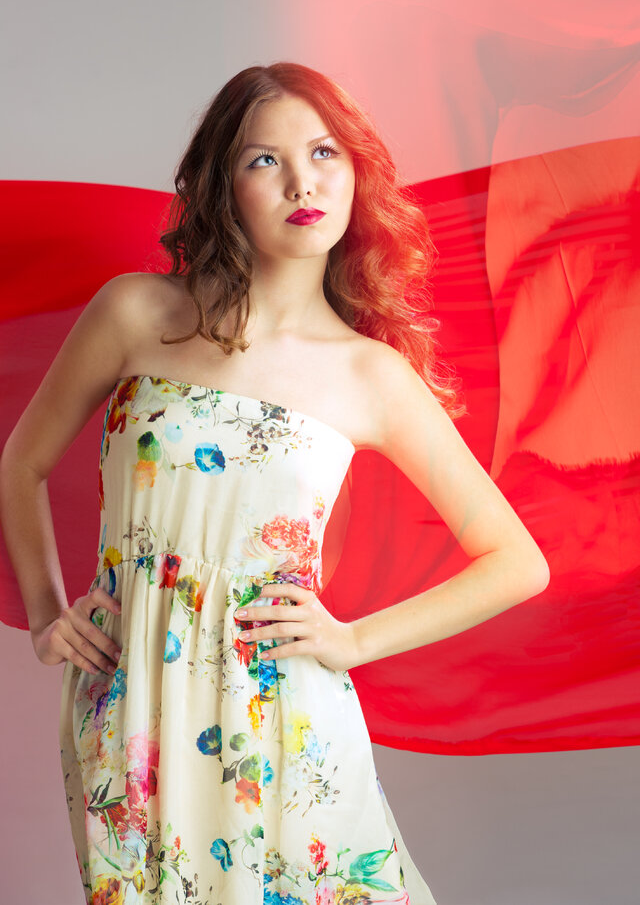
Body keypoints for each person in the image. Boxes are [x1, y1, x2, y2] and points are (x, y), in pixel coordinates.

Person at [0, 62, 549, 905]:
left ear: (357, 172)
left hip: (284, 715)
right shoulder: (137, 313)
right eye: (265, 159)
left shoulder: (371, 375)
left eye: (325, 152)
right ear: (222, 183)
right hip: (129, 703)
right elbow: (22, 462)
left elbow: (517, 562)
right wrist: (47, 617)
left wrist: (354, 641)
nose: (303, 182)